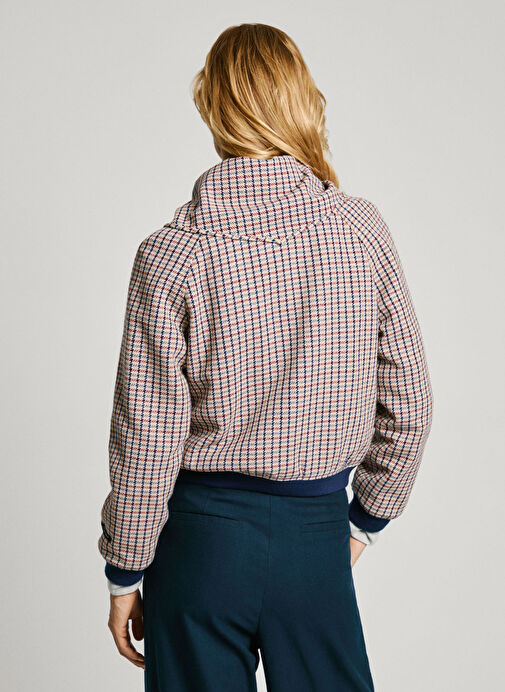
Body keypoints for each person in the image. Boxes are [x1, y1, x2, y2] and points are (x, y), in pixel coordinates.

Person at [98, 22, 434, 692]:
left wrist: (124, 570)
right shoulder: (359, 230)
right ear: (300, 99)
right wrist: (362, 523)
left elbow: (147, 435)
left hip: (199, 548)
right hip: (315, 539)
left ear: (212, 106)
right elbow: (411, 404)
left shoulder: (171, 254)